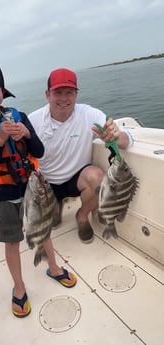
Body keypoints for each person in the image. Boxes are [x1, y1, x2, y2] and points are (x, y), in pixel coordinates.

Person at [0, 60, 77, 318]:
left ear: (3, 90)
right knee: (12, 241)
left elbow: (39, 151)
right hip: (5, 196)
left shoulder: (21, 117)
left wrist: (27, 135)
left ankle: (53, 267)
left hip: (34, 190)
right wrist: (0, 139)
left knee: (44, 231)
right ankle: (19, 287)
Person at [28, 68, 134, 243]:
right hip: (46, 182)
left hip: (76, 177)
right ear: (48, 95)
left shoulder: (88, 114)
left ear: (76, 94)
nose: (64, 98)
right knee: (53, 221)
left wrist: (115, 135)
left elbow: (127, 139)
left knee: (100, 179)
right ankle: (56, 205)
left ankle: (82, 216)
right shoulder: (33, 120)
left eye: (69, 92)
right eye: (58, 92)